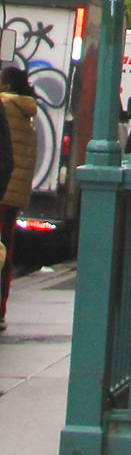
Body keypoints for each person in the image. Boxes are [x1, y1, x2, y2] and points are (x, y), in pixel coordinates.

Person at [0, 64, 38, 328]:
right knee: (5, 252)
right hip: (13, 193)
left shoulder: (5, 105)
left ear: (7, 85)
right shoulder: (27, 112)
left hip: (3, 192)